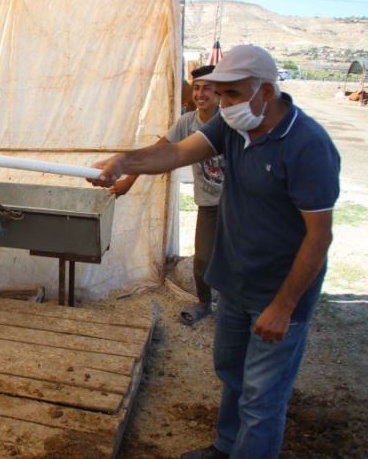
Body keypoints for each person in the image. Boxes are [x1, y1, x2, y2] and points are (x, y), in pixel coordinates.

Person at [89, 44, 340, 459]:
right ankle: (225, 447)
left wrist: (284, 306)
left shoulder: (308, 144)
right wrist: (124, 162)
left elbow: (319, 238)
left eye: (233, 94)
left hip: (277, 292)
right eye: (220, 95)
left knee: (262, 401)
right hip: (234, 281)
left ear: (266, 90)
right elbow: (174, 152)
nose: (224, 104)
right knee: (232, 376)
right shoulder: (231, 125)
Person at [110, 64, 223, 326]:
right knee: (203, 259)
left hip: (237, 204)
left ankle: (239, 308)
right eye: (196, 88)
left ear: (220, 93)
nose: (200, 94)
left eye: (207, 89)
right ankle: (204, 303)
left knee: (238, 257)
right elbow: (158, 152)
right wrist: (128, 178)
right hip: (208, 204)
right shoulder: (187, 123)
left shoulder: (229, 120)